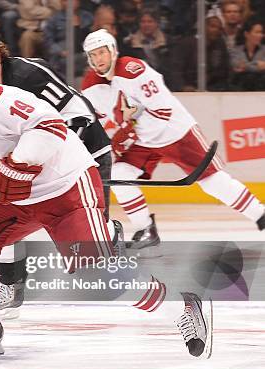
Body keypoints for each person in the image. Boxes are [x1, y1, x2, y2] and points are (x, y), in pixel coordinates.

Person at [0, 55, 213, 359]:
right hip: (16, 200)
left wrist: (19, 163)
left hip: (65, 185)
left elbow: (50, 125)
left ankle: (181, 304)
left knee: (96, 272)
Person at [0, 26, 121, 319]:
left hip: (83, 157)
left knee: (92, 257)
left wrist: (51, 160)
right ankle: (12, 286)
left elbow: (78, 114)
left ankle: (110, 234)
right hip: (33, 165)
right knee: (1, 219)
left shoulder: (28, 75)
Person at [80, 29, 265, 251]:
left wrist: (129, 125)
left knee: (213, 183)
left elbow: (162, 110)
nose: (98, 59)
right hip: (142, 139)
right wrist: (113, 137)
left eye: (102, 52)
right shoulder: (91, 85)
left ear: (113, 51)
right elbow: (98, 121)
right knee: (120, 175)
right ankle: (145, 228)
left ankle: (260, 214)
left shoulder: (133, 70)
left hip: (176, 132)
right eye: (93, 55)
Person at [229, 17, 265, 91]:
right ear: (247, 34)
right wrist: (257, 64)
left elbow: (242, 67)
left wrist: (245, 66)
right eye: (257, 32)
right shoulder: (235, 51)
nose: (261, 35)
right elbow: (236, 65)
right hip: (240, 89)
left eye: (261, 32)